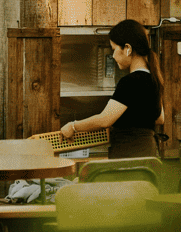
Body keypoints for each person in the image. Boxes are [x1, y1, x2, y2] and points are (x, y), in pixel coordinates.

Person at [60, 19, 165, 158]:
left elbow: (104, 120)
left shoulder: (130, 81)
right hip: (149, 155)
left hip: (128, 157)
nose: (113, 56)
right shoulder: (154, 78)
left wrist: (73, 126)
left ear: (127, 48)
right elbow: (159, 119)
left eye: (114, 49)